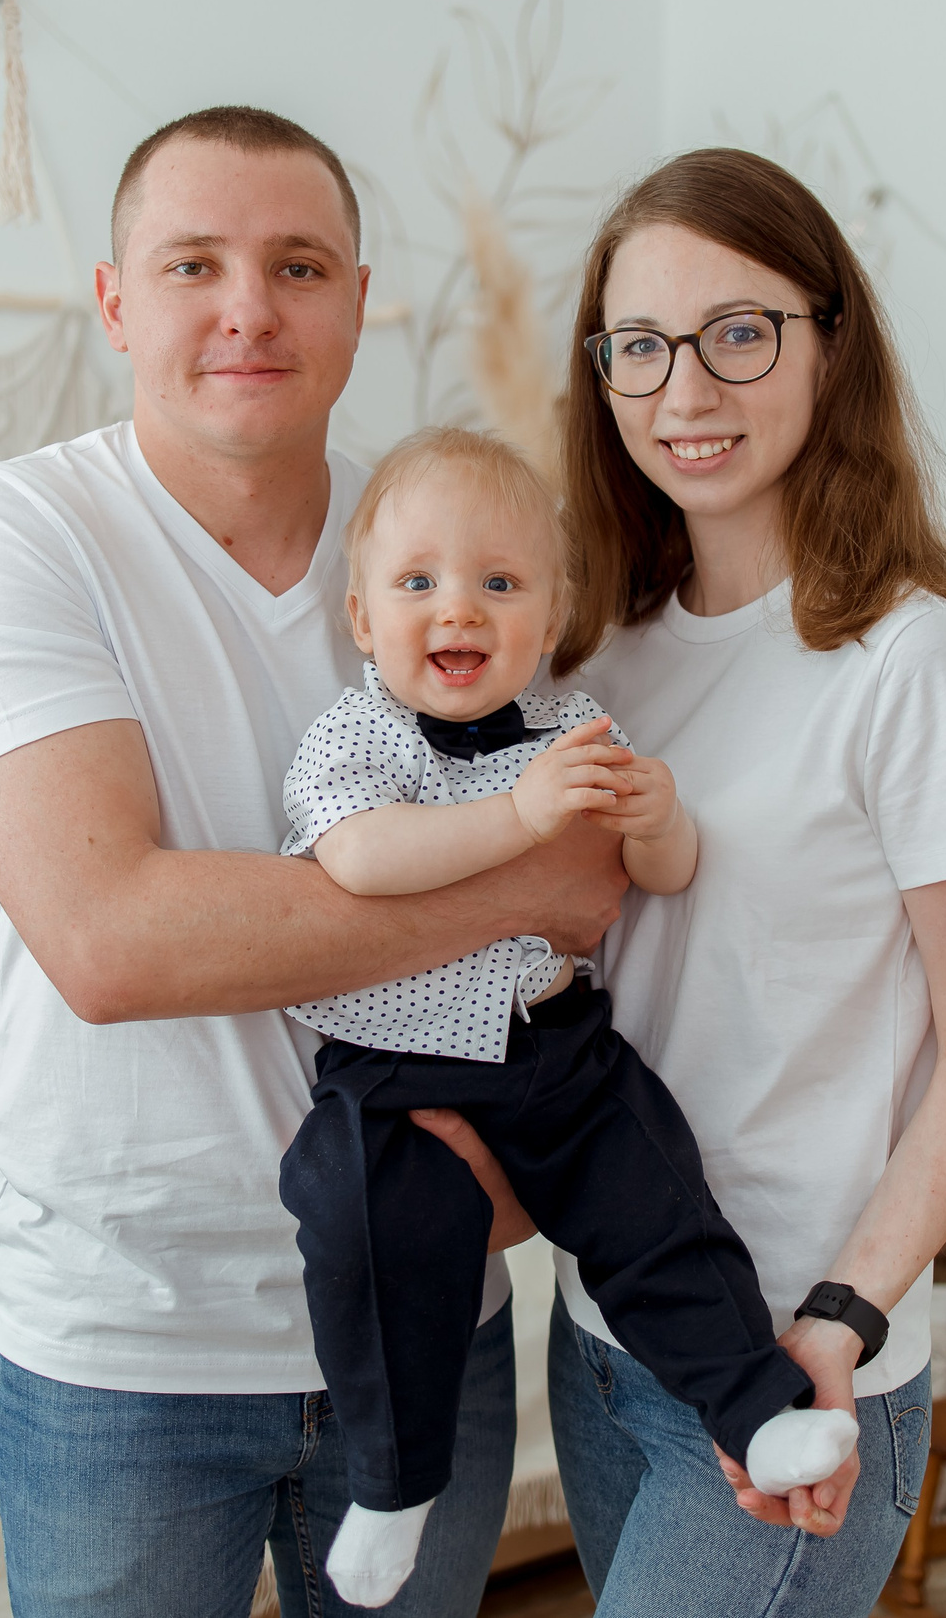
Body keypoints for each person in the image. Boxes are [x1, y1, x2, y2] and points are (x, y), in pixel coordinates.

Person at [0, 106, 625, 1618]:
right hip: (125, 1348)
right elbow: (113, 941)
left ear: (361, 299)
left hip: (436, 1310)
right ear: (115, 300)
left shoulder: (441, 543)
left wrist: (513, 1163)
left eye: (298, 264)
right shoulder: (14, 532)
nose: (248, 307)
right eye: (193, 263)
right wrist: (519, 889)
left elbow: (603, 873)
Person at [539, 146, 946, 1616]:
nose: (686, 391)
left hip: (799, 1356)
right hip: (603, 1328)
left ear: (832, 342)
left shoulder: (914, 660)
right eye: (643, 346)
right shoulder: (599, 649)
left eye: (739, 331)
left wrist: (843, 1311)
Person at [272, 427, 859, 1607]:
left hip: (554, 1049)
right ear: (359, 614)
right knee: (364, 1230)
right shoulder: (356, 735)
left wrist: (655, 817)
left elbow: (669, 875)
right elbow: (364, 860)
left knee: (661, 1201)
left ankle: (757, 1410)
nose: (460, 611)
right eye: (418, 582)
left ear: (547, 620)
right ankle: (391, 1483)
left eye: (500, 584)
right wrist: (526, 822)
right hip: (393, 1071)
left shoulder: (575, 729)